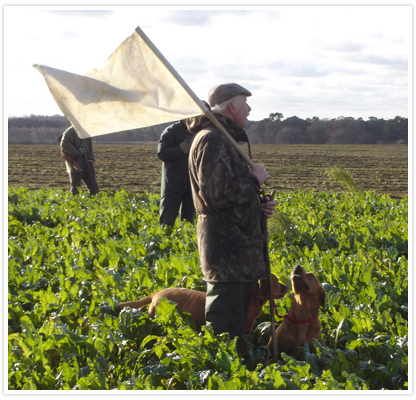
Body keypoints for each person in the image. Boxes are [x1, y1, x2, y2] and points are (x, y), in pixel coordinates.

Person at [186, 83, 276, 351]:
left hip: (239, 252)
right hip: (229, 253)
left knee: (235, 326)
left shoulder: (221, 138)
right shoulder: (212, 139)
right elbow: (215, 194)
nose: (248, 109)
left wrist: (258, 205)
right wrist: (253, 178)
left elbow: (227, 192)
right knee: (224, 330)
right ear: (231, 106)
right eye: (244, 103)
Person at [157, 120, 196, 227]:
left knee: (189, 223)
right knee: (167, 221)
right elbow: (162, 154)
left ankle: (186, 242)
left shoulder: (198, 130)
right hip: (173, 183)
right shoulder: (171, 131)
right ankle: (164, 242)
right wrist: (182, 147)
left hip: (192, 183)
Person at [60, 126, 99, 196]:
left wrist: (92, 159)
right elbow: (64, 144)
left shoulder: (86, 131)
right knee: (75, 190)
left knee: (94, 189)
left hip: (87, 164)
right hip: (75, 165)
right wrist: (77, 153)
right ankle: (75, 205)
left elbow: (90, 147)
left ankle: (93, 204)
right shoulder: (70, 131)